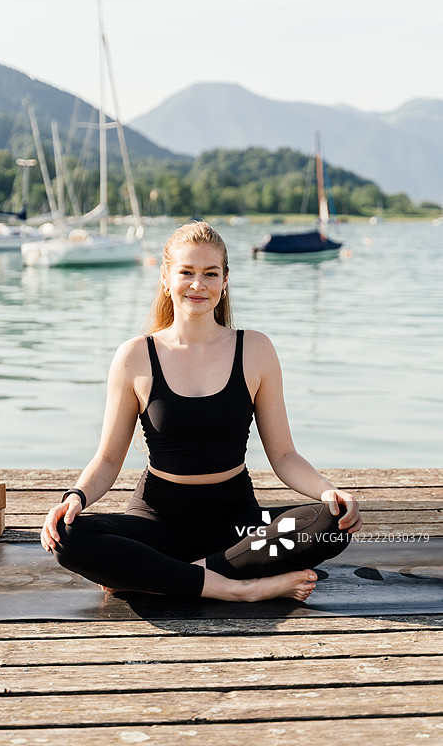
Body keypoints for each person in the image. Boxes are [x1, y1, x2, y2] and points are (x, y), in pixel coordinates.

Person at [41, 221, 362, 603]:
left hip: (238, 526)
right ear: (166, 278)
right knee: (68, 537)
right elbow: (108, 459)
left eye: (210, 273)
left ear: (225, 280)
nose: (198, 284)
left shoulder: (255, 349)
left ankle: (158, 575)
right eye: (186, 272)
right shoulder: (135, 356)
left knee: (330, 523)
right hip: (156, 522)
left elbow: (284, 456)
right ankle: (238, 588)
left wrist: (328, 490)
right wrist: (75, 498)